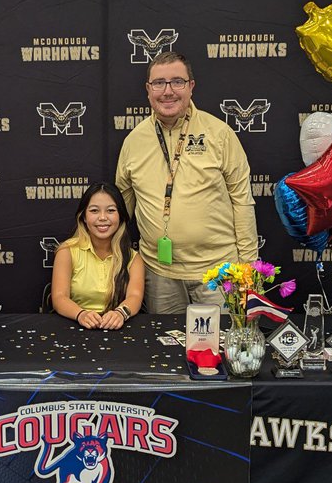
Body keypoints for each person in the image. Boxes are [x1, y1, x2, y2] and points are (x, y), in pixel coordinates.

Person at [115, 50, 258, 314]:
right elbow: (121, 210)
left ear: (191, 86)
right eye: (159, 83)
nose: (167, 91)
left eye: (177, 82)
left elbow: (242, 201)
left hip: (218, 272)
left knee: (222, 348)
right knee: (163, 351)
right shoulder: (133, 142)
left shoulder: (220, 134)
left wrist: (248, 268)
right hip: (159, 275)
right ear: (148, 90)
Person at [51, 181, 145, 330]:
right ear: (83, 216)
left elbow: (135, 296)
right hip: (76, 327)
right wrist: (81, 314)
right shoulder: (67, 251)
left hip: (118, 328)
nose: (102, 217)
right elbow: (59, 297)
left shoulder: (133, 258)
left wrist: (120, 313)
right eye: (94, 211)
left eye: (111, 210)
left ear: (120, 216)